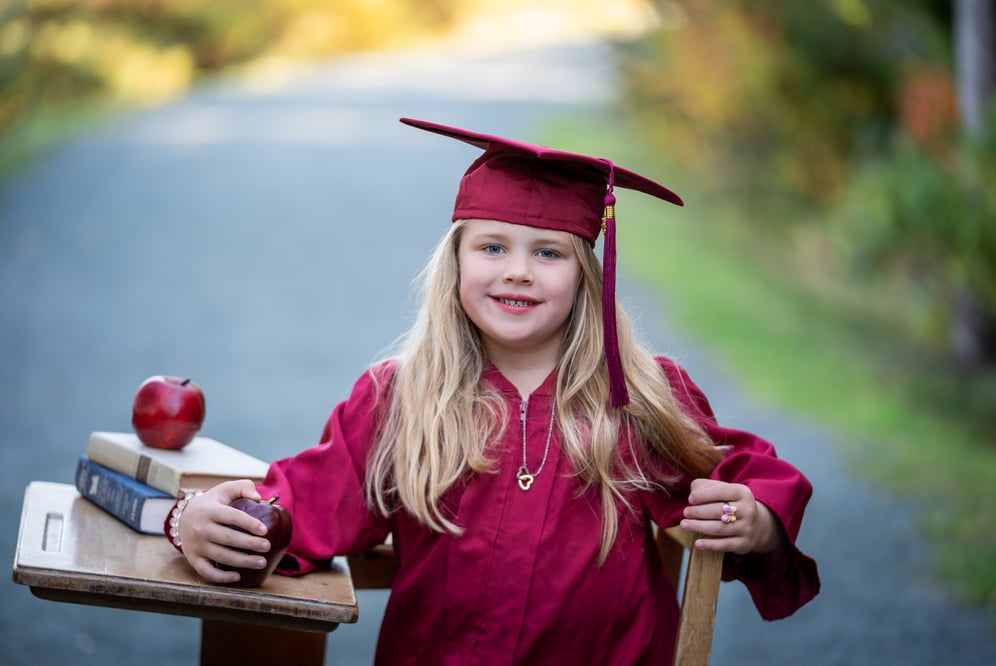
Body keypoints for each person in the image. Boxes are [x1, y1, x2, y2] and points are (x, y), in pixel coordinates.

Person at [166, 117, 820, 664]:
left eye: (548, 253)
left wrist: (755, 521)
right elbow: (306, 498)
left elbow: (749, 476)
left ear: (587, 275)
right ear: (455, 262)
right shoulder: (402, 398)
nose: (517, 273)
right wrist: (198, 521)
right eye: (493, 247)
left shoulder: (641, 397)